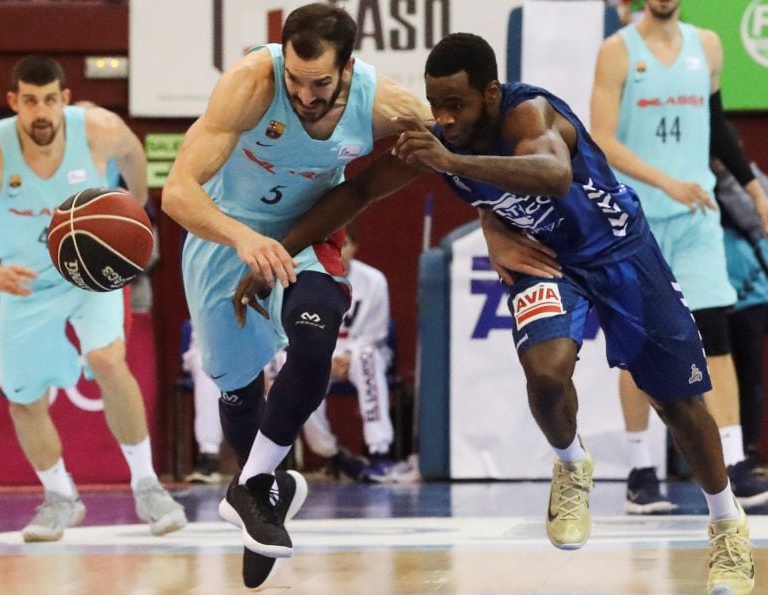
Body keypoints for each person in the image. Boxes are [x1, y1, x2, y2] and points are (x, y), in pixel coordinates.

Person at [236, 31, 756, 594]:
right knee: (547, 374)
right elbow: (358, 193)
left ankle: (726, 524)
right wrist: (275, 250)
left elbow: (554, 175)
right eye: (436, 105)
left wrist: (454, 162)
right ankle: (571, 462)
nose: (445, 118)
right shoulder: (442, 138)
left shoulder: (528, 114)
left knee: (678, 404)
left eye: (456, 105)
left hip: (621, 254)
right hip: (546, 259)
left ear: (490, 92)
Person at [160, 3, 430, 587]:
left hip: (309, 231)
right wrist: (243, 239)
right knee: (237, 388)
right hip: (225, 231)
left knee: (315, 336)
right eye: (296, 80)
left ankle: (252, 483)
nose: (305, 95)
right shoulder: (250, 85)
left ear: (350, 68)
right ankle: (271, 487)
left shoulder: (387, 104)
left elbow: (450, 147)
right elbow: (178, 194)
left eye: (321, 84)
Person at [0, 56, 187, 542]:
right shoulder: (0, 150)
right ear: (14, 101)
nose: (40, 112)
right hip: (24, 284)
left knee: (106, 359)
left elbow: (133, 156)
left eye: (49, 100)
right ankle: (60, 496)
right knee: (24, 399)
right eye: (30, 101)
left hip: (89, 276)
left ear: (64, 99)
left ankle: (148, 486)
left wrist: (140, 208)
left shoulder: (99, 129)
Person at [590, 0, 768, 515]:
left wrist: (754, 189)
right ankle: (640, 472)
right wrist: (665, 181)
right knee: (639, 345)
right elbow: (600, 138)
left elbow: (715, 124)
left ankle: (734, 464)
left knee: (716, 336)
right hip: (635, 222)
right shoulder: (617, 52)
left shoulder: (707, 46)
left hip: (696, 221)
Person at [265, 226, 397, 482]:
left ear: (354, 247)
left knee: (366, 359)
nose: (340, 249)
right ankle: (330, 452)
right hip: (317, 351)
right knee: (289, 366)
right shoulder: (299, 276)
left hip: (361, 351)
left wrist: (348, 356)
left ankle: (380, 450)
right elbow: (285, 331)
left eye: (345, 243)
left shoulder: (374, 280)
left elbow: (376, 333)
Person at [713, 152, 768, 460]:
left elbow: (755, 221)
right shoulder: (684, 178)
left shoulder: (753, 181)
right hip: (706, 296)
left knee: (748, 375)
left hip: (750, 296)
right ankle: (703, 454)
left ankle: (745, 450)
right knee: (701, 374)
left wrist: (727, 176)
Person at [182, 326, 224, 484]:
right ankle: (209, 456)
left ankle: (269, 460)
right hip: (211, 345)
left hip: (267, 346)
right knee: (207, 367)